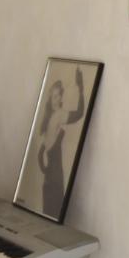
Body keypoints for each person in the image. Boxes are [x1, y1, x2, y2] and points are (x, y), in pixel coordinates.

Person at [32, 66, 87, 217]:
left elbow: (41, 153)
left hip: (49, 177)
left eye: (57, 96)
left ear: (61, 97)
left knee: (47, 214)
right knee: (54, 214)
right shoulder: (59, 115)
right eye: (53, 97)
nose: (55, 100)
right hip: (55, 175)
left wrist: (45, 169)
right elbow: (80, 113)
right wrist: (81, 88)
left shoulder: (49, 118)